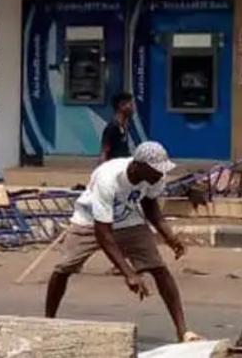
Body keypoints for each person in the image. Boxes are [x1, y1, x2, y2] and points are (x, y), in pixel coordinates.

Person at [44, 140, 199, 343]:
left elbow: (149, 205)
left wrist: (169, 236)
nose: (161, 175)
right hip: (91, 221)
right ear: (138, 166)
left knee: (159, 268)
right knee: (63, 268)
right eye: (156, 170)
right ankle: (48, 322)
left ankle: (183, 332)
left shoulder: (155, 179)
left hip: (128, 218)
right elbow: (103, 234)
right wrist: (129, 273)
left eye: (163, 170)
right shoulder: (108, 178)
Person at [99, 93, 136, 164]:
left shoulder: (124, 126)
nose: (132, 108)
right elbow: (104, 151)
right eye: (130, 105)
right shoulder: (112, 127)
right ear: (121, 105)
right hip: (115, 165)